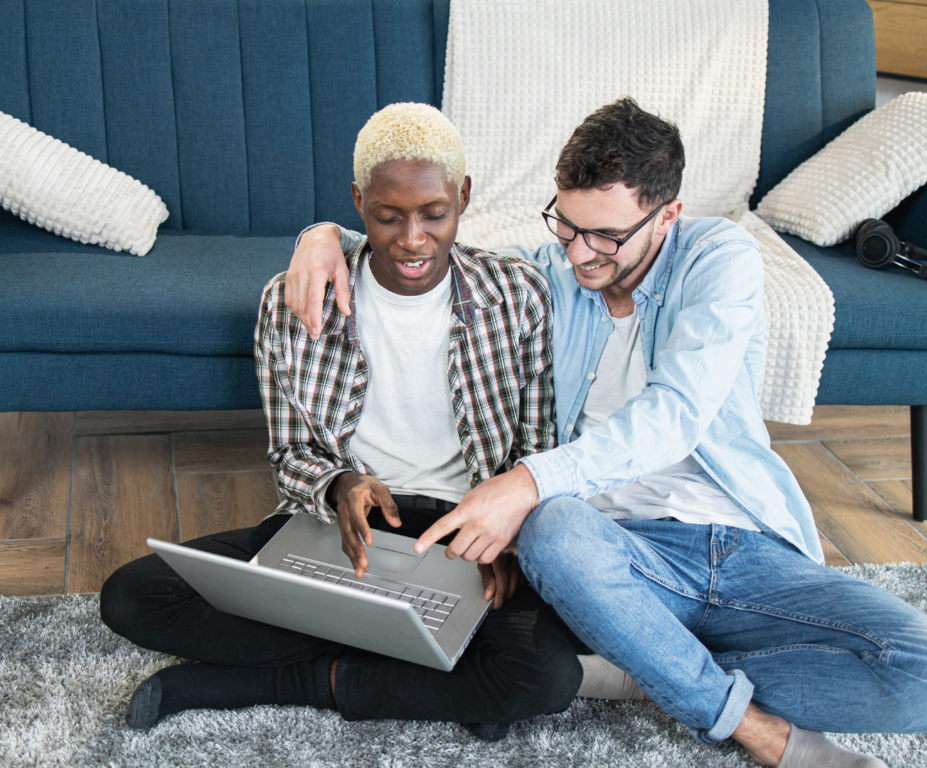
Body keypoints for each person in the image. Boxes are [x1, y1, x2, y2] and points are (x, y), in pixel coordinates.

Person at [286, 98, 927, 767]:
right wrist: (325, 236)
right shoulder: (552, 271)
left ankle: (643, 666)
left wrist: (524, 483)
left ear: (669, 214)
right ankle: (754, 730)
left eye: (607, 236)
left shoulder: (719, 259)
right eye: (567, 224)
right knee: (552, 528)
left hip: (743, 553)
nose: (582, 254)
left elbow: (676, 415)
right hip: (609, 557)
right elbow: (436, 248)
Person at [99, 103, 582, 741]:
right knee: (134, 596)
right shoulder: (292, 300)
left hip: (466, 538)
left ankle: (282, 681)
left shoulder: (517, 295)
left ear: (463, 197)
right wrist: (337, 486)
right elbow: (292, 449)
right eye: (387, 216)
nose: (412, 238)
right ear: (358, 201)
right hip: (340, 533)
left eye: (434, 214)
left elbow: (538, 448)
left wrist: (510, 536)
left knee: (548, 675)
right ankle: (427, 677)